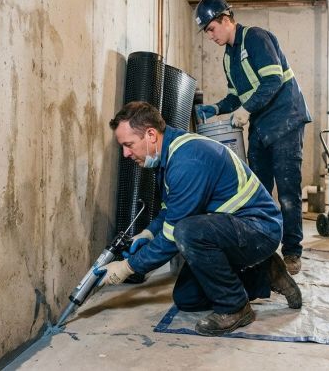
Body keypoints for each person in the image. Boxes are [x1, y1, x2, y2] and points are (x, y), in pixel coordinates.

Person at [96, 101, 301, 337]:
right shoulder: (167, 157)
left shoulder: (187, 160)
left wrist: (128, 267)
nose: (126, 153)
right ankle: (264, 273)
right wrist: (149, 233)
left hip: (259, 229)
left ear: (151, 134)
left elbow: (174, 234)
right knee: (187, 298)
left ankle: (235, 308)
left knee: (186, 231)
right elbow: (170, 210)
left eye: (128, 145)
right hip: (232, 228)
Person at [193, 0, 312, 275]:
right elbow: (237, 96)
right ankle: (264, 250)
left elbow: (272, 81)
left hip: (285, 120)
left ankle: (292, 251)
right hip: (260, 125)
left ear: (225, 19)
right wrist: (216, 108)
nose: (210, 36)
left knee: (288, 192)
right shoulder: (229, 57)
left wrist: (245, 110)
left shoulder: (256, 38)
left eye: (211, 29)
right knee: (257, 190)